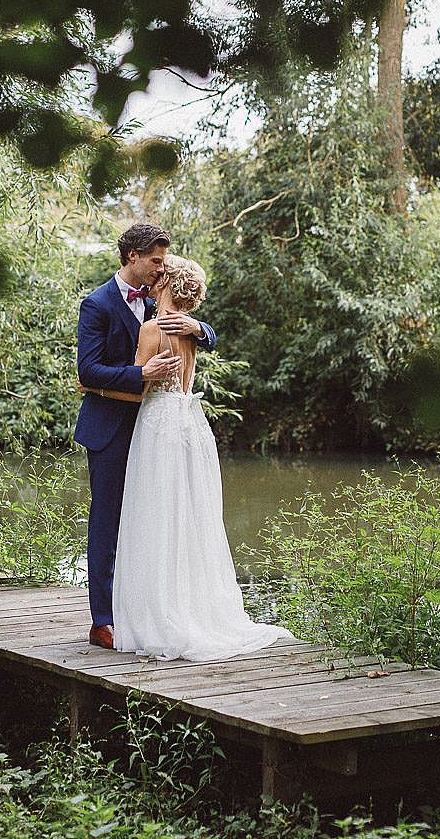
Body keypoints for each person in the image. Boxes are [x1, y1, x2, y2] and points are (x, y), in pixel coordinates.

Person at [111, 254, 293, 661]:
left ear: (166, 284)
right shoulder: (190, 331)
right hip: (188, 421)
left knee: (156, 516)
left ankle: (161, 615)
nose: (154, 277)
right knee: (189, 516)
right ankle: (193, 609)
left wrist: (95, 387)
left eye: (160, 275)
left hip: (158, 424)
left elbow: (137, 389)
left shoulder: (152, 329)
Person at [74, 224, 217, 650]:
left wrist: (198, 327)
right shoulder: (97, 304)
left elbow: (206, 335)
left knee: (153, 521)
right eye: (155, 260)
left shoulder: (162, 303)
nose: (160, 268)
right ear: (132, 256)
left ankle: (147, 612)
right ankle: (103, 620)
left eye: (164, 262)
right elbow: (88, 369)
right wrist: (140, 374)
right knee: (108, 523)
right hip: (113, 428)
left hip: (157, 428)